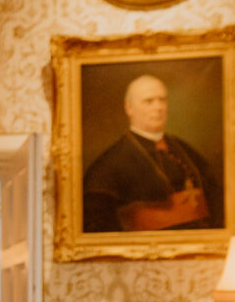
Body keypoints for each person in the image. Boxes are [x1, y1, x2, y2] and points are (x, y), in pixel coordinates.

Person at [83, 73, 223, 233]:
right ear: (129, 108)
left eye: (162, 100)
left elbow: (216, 196)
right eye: (148, 101)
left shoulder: (183, 148)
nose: (158, 107)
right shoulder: (108, 165)